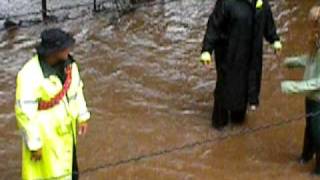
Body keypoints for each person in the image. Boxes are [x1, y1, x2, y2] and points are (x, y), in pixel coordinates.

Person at [15, 28, 90, 180]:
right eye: (64, 47)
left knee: (69, 167)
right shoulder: (29, 74)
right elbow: (24, 113)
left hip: (66, 129)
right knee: (47, 171)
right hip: (45, 134)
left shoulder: (70, 65)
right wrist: (34, 143)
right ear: (53, 51)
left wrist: (82, 116)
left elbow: (76, 91)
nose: (68, 49)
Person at [200, 0, 281, 129]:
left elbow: (267, 23)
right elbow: (214, 26)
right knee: (225, 88)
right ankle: (219, 125)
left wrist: (274, 39)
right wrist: (206, 50)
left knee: (245, 86)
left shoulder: (262, 3)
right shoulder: (226, 3)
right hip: (229, 55)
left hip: (251, 57)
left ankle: (238, 121)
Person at [281, 6, 320, 175]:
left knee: (318, 135)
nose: (310, 27)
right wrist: (295, 61)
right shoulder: (317, 41)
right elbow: (313, 62)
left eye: (313, 23)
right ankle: (305, 158)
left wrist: (294, 87)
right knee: (310, 129)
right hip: (311, 98)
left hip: (318, 99)